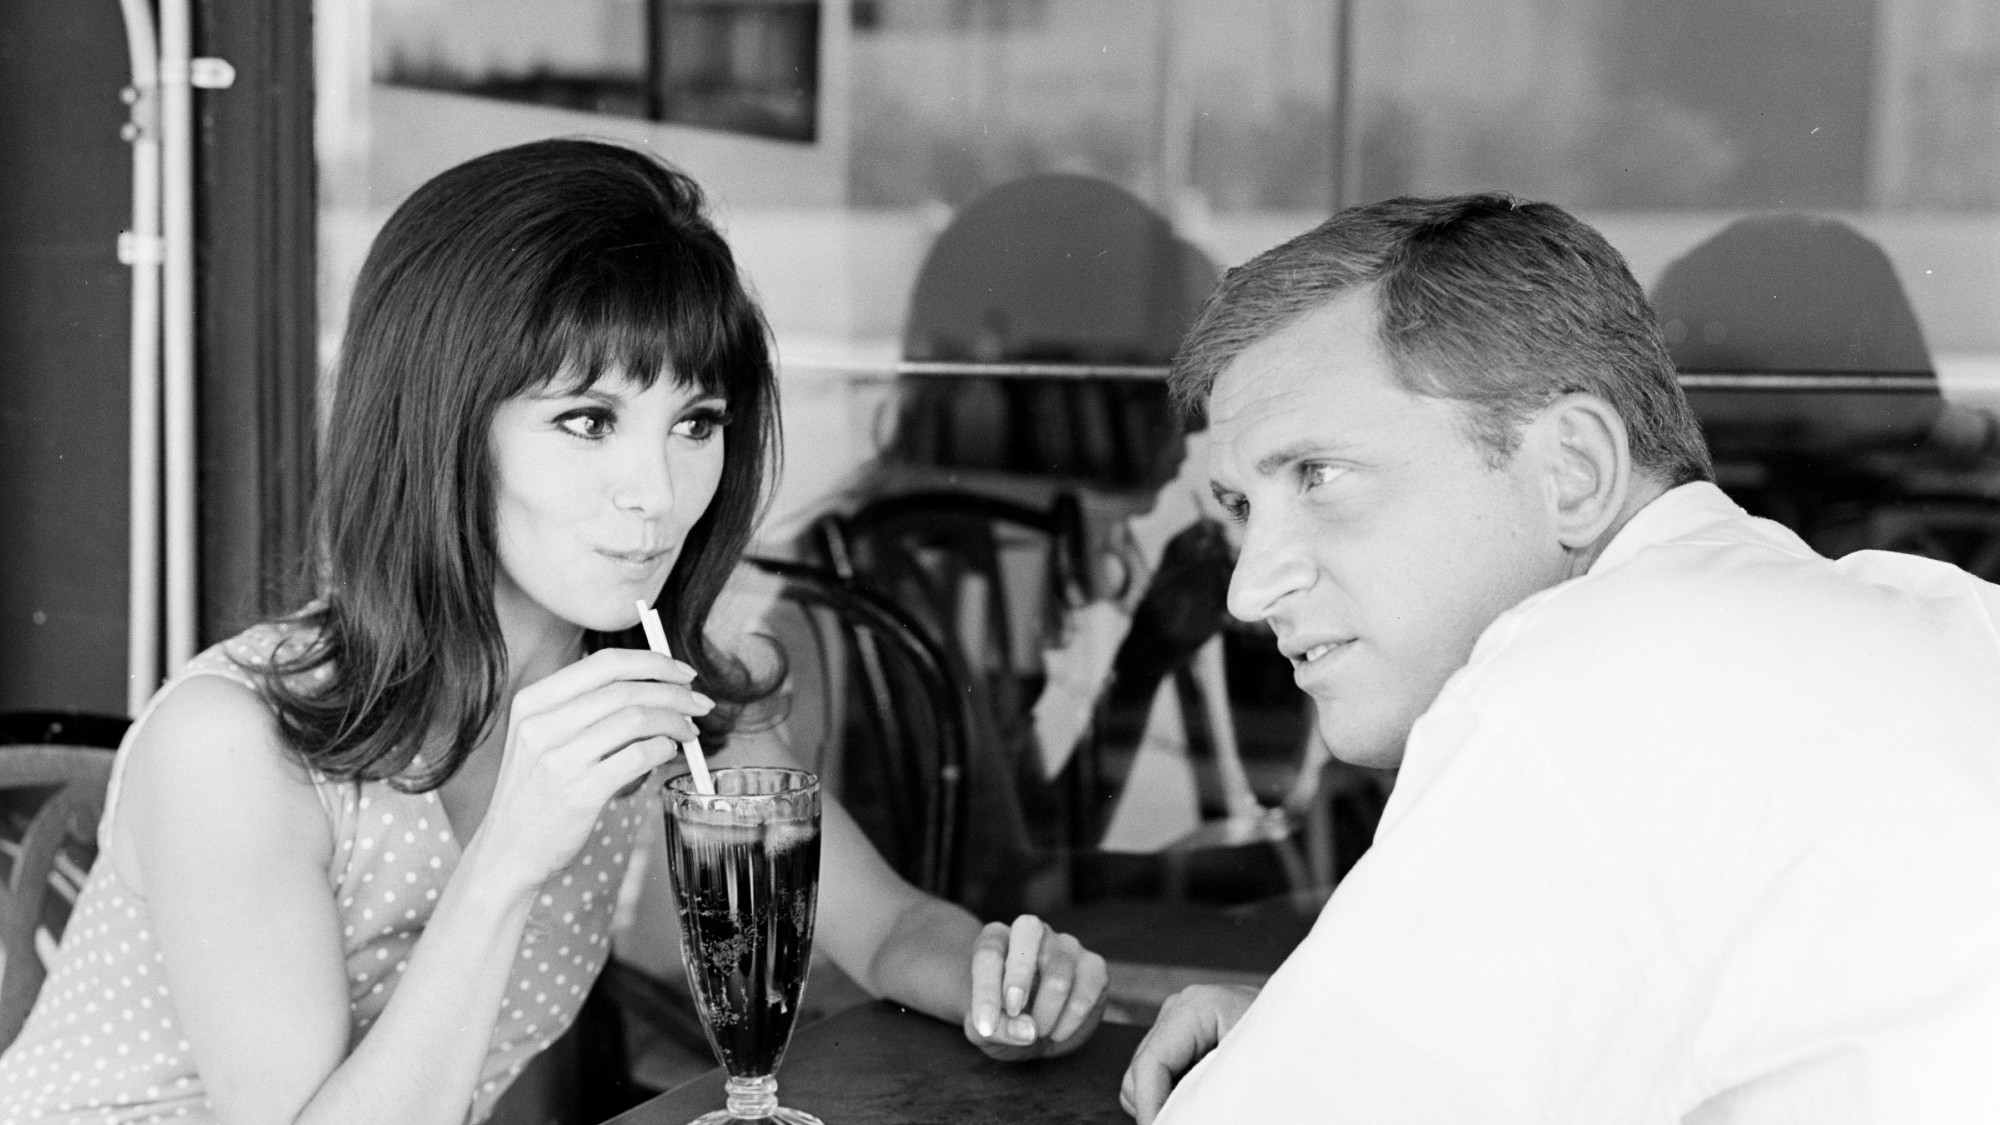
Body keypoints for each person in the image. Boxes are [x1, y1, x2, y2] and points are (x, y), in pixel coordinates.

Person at [0, 138, 1105, 1125]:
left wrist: (1005, 982)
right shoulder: (235, 746)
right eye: (587, 420)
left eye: (696, 422)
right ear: (442, 426)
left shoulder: (663, 701)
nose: (658, 494)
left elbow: (888, 929)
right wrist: (507, 859)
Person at [1119, 194, 2000, 1123]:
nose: (1248, 589)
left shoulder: (1588, 677)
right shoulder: (1938, 618)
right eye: (1242, 507)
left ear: (1573, 468)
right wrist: (1322, 1031)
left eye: (1321, 475)